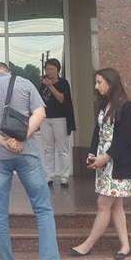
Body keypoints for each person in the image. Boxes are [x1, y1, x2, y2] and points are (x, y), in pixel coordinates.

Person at [0, 61, 60, 260]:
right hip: (28, 153)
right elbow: (40, 113)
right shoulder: (24, 83)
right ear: (8, 72)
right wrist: (21, 138)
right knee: (43, 209)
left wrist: (3, 142)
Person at [70, 68, 131, 260]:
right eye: (96, 82)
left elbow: (125, 138)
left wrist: (106, 157)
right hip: (104, 162)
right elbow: (97, 131)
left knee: (103, 203)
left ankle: (87, 245)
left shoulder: (127, 106)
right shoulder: (105, 104)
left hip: (118, 164)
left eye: (99, 82)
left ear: (111, 82)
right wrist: (93, 153)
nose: (96, 86)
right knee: (116, 206)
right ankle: (125, 246)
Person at [40, 58, 76, 186]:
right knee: (47, 149)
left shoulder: (63, 83)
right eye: (47, 69)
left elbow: (62, 99)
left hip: (60, 118)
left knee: (63, 149)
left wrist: (51, 86)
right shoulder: (42, 83)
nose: (49, 71)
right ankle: (49, 175)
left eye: (52, 69)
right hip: (45, 119)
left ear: (58, 70)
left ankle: (64, 176)